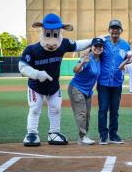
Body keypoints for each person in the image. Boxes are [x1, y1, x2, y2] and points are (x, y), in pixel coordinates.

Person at [19, 13, 94, 146]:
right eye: (48, 33)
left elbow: (78, 45)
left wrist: (94, 40)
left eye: (55, 33)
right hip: (36, 86)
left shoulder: (63, 44)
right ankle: (31, 133)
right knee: (35, 109)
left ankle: (54, 133)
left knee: (56, 109)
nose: (52, 40)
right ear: (43, 30)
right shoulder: (32, 49)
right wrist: (37, 74)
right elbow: (22, 67)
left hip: (53, 86)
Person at [97, 19, 132, 145]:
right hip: (103, 83)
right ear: (109, 30)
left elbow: (130, 59)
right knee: (103, 109)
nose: (115, 31)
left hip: (117, 83)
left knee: (114, 110)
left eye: (117, 29)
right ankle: (103, 135)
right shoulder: (103, 42)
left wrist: (131, 59)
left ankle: (113, 135)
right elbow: (94, 51)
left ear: (121, 31)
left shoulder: (125, 45)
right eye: (112, 28)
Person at [68, 38, 104, 145]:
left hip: (87, 91)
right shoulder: (87, 58)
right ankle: (82, 137)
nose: (98, 48)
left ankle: (84, 136)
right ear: (91, 47)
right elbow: (75, 70)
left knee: (87, 115)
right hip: (76, 88)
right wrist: (82, 62)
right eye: (95, 46)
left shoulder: (101, 60)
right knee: (82, 113)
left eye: (100, 46)